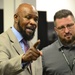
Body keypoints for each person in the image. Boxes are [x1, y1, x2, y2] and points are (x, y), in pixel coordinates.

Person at [0, 3, 42, 75]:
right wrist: (22, 60)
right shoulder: (2, 41)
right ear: (16, 18)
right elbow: (1, 68)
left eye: (36, 19)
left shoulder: (33, 48)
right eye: (28, 17)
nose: (33, 22)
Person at [42, 9, 75, 75]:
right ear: (56, 30)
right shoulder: (45, 54)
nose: (67, 31)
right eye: (61, 28)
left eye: (69, 25)